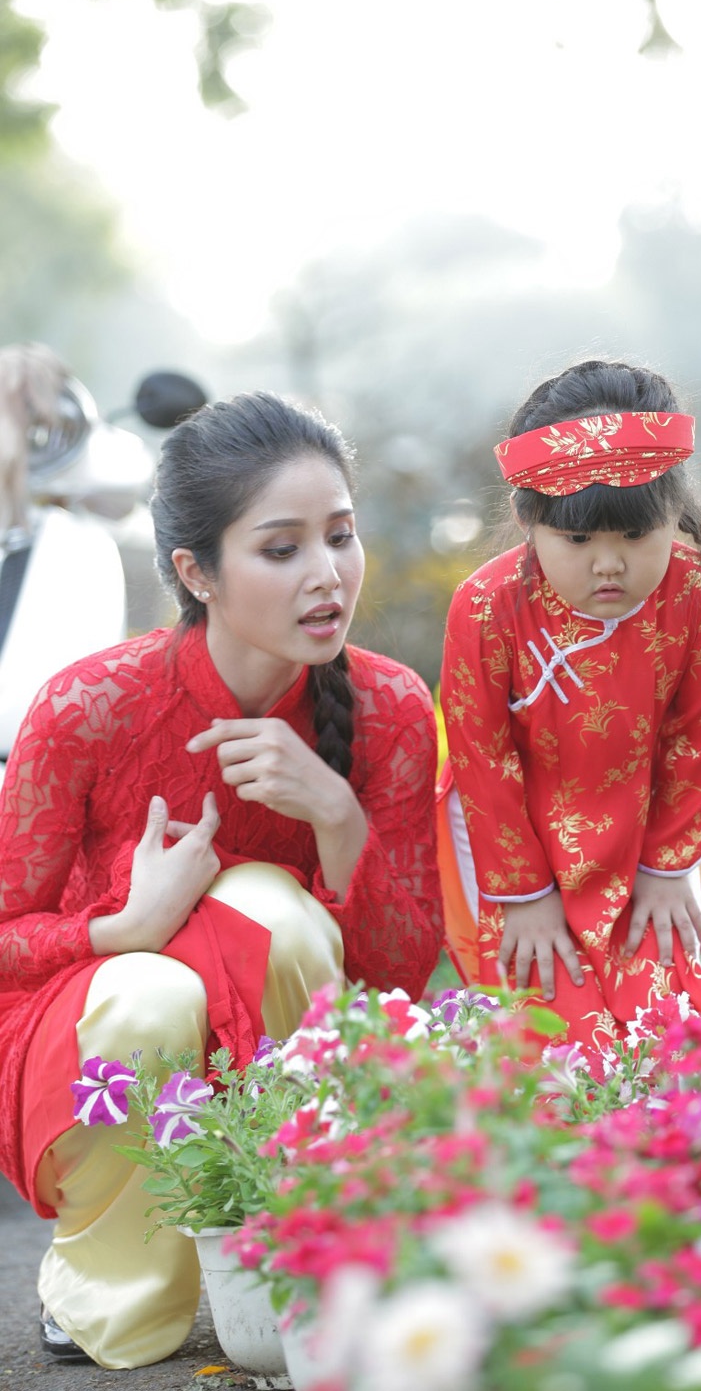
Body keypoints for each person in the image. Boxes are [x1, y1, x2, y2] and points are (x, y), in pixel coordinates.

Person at [0, 390, 443, 1369]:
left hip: (292, 1036)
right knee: (151, 990)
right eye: (282, 549)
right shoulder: (88, 708)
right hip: (95, 1030)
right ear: (196, 572)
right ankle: (109, 1283)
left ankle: (298, 1241)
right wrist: (120, 931)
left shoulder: (391, 708)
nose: (328, 574)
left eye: (341, 536)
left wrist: (336, 814)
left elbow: (400, 981)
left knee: (268, 910)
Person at [438, 359, 701, 1053]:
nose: (608, 564)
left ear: (672, 513)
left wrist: (667, 871)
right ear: (527, 519)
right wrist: (525, 896)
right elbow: (483, 757)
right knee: (557, 1042)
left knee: (670, 1030)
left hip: (650, 837)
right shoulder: (485, 608)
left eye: (634, 536)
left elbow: (697, 744)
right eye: (577, 540)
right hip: (513, 845)